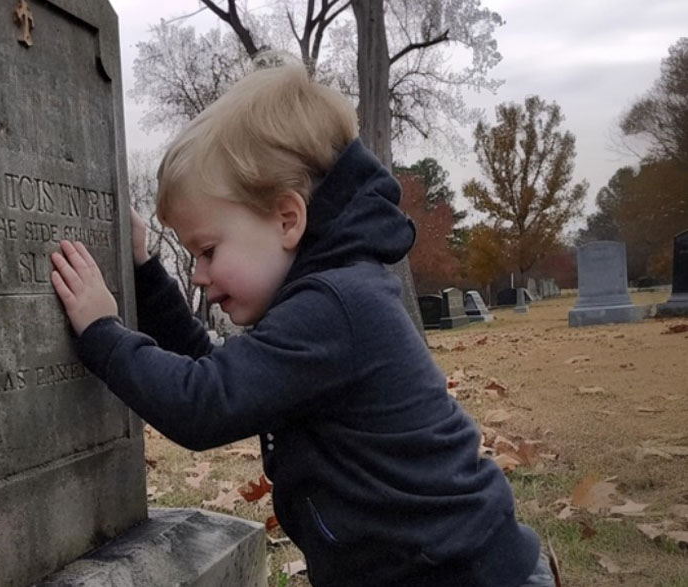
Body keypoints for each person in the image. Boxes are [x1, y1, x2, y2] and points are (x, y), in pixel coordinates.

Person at [48, 64, 552, 587]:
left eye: (208, 250)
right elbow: (213, 368)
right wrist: (146, 271)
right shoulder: (328, 296)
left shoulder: (335, 306)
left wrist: (101, 331)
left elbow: (203, 403)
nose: (197, 275)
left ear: (288, 219)